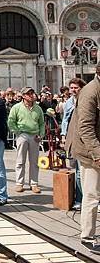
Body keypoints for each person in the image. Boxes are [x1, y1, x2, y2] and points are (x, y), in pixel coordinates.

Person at [66, 66, 100, 255]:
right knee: (92, 194)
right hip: (89, 151)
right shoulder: (90, 92)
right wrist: (98, 154)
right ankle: (87, 236)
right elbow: (85, 128)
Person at [8, 87, 45, 194]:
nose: (32, 95)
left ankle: (34, 183)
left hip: (34, 135)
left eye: (32, 93)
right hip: (22, 134)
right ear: (23, 96)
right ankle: (19, 183)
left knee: (34, 161)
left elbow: (42, 123)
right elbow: (11, 121)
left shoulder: (38, 108)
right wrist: (17, 132)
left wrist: (41, 135)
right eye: (29, 94)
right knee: (20, 160)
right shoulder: (16, 107)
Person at [61, 78, 87, 210]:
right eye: (71, 88)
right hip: (74, 137)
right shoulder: (68, 103)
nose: (73, 90)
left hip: (87, 138)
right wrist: (64, 136)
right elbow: (65, 120)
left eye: (75, 87)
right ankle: (79, 199)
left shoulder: (87, 100)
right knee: (77, 171)